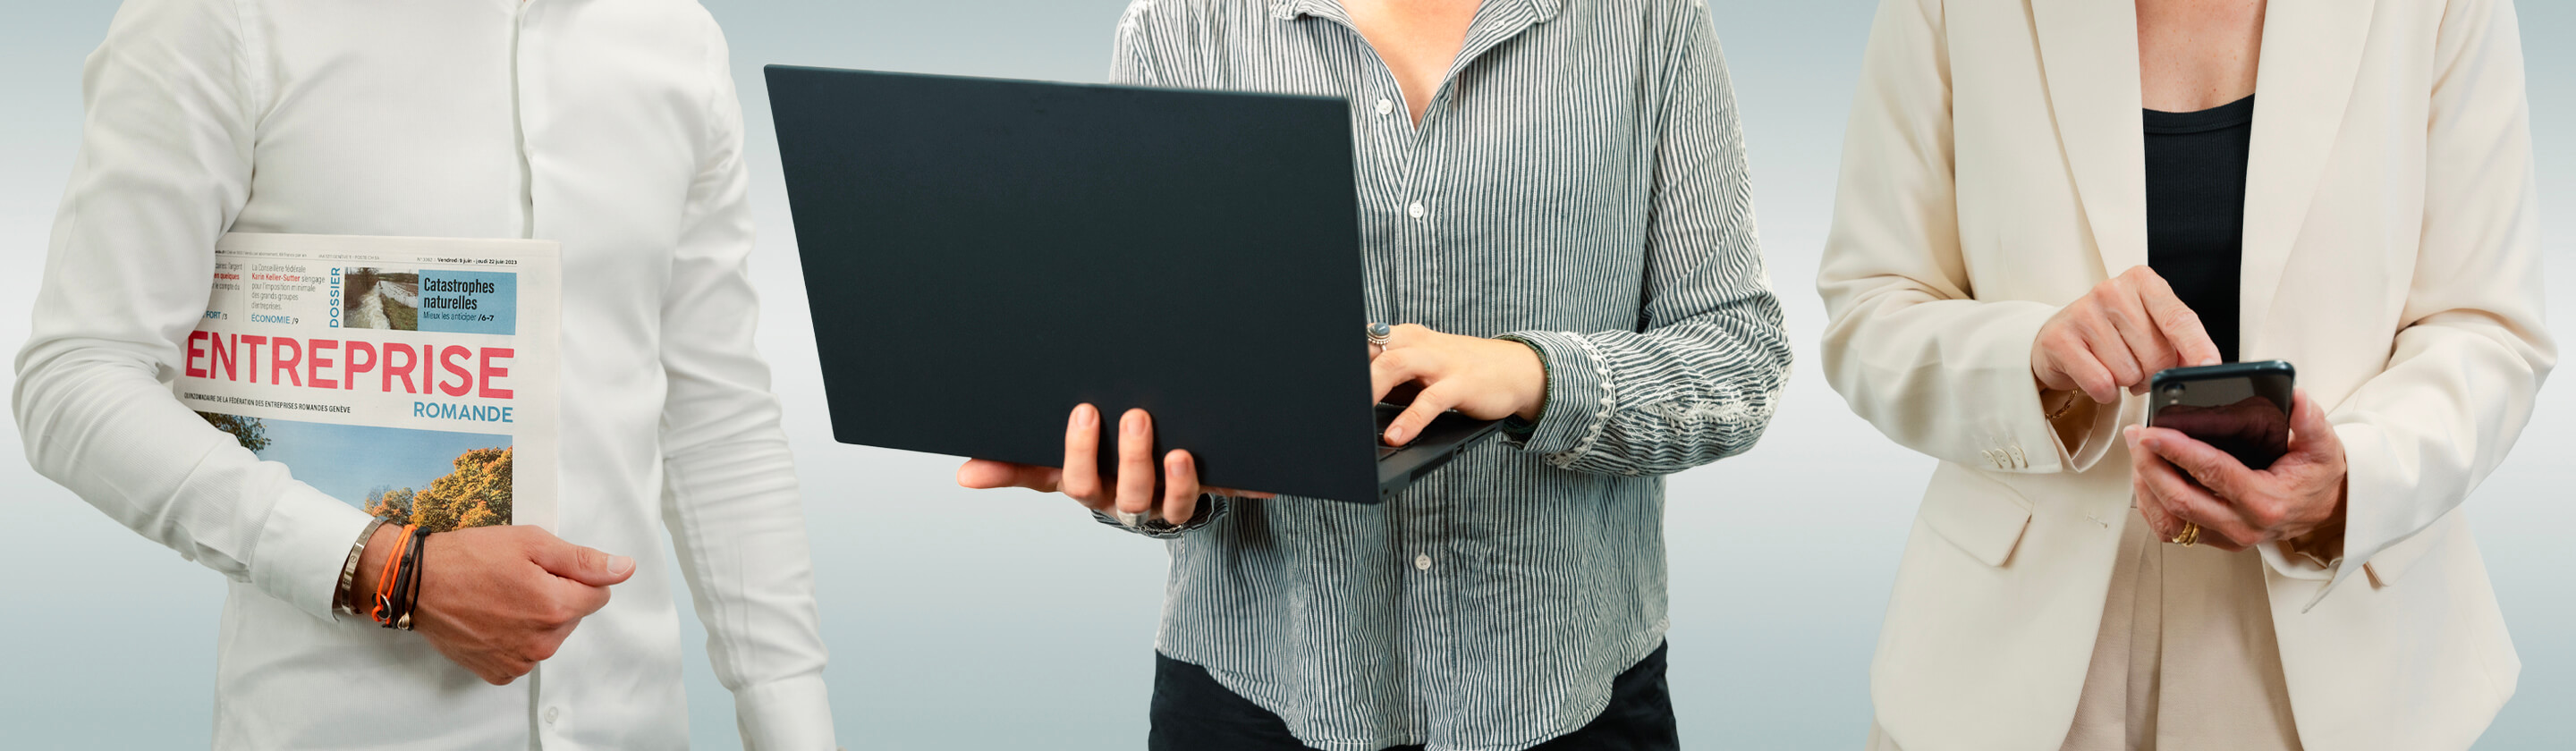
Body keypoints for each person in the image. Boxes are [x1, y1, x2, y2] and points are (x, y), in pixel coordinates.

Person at [961, 1, 1792, 749]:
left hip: (1572, 694)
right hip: (1256, 695)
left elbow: (1741, 358)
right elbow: (1148, 364)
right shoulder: (1178, 27)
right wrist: (1145, 481)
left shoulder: (1652, 21)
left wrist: (1537, 376)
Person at [13, 0, 834, 747]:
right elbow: (77, 375)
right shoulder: (223, 20)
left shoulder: (676, 38)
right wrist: (391, 571)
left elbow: (716, 416)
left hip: (636, 726)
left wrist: (793, 723)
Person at [1816, 0, 2552, 748]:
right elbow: (1870, 309)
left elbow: (2489, 329)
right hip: (2008, 668)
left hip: (2347, 662)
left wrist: (2349, 484)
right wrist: (2029, 355)